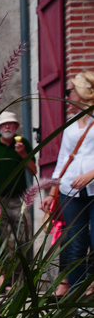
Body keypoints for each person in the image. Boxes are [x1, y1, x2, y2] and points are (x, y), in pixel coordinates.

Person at [40, 71, 94, 296]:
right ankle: (76, 296)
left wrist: (91, 174)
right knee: (75, 242)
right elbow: (63, 158)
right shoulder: (70, 124)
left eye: (69, 91)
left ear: (81, 93)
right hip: (70, 190)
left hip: (92, 187)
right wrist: (53, 192)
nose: (66, 95)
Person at [0, 111, 35, 284]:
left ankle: (23, 281)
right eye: (4, 124)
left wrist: (23, 155)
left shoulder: (24, 143)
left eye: (11, 124)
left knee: (24, 239)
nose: (8, 126)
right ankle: (7, 283)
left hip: (20, 199)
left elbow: (33, 171)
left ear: (16, 127)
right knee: (6, 242)